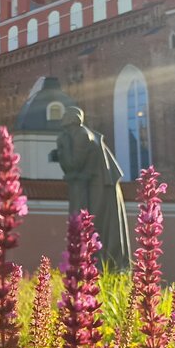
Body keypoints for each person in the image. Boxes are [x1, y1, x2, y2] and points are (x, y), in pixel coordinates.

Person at [54, 106, 131, 268]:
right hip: (96, 185)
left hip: (101, 186)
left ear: (69, 122)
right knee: (93, 226)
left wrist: (62, 148)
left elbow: (74, 164)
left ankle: (100, 267)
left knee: (96, 227)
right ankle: (96, 265)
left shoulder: (81, 135)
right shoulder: (79, 134)